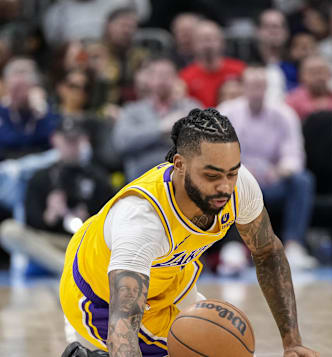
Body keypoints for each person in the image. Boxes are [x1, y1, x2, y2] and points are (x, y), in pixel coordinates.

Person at [60, 108, 318, 357]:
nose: (225, 187)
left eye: (232, 172)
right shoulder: (142, 220)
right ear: (180, 164)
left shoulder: (239, 186)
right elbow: (123, 325)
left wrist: (292, 343)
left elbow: (267, 252)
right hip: (99, 298)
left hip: (169, 280)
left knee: (219, 344)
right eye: (211, 175)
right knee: (206, 351)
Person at [219, 66, 318, 269]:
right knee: (222, 180)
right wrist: (241, 171)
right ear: (243, 87)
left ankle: (293, 246)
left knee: (302, 180)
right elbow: (217, 153)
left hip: (273, 182)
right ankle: (233, 248)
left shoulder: (285, 114)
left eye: (261, 85)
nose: (256, 90)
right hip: (238, 182)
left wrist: (282, 170)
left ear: (267, 88)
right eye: (251, 85)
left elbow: (294, 154)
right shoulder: (226, 112)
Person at [0, 117, 113, 275]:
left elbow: (110, 221)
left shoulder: (98, 178)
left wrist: (88, 219)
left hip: (83, 243)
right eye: (67, 140)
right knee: (9, 230)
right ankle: (69, 270)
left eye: (76, 140)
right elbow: (30, 222)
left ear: (85, 140)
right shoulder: (41, 177)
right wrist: (49, 215)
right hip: (48, 243)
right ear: (55, 140)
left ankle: (73, 268)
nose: (71, 146)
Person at [113, 58, 200, 180]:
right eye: (158, 74)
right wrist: (160, 129)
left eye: (167, 75)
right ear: (149, 80)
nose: (162, 79)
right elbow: (122, 143)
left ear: (176, 79)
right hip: (143, 180)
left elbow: (205, 142)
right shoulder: (132, 110)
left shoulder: (190, 108)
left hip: (183, 180)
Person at [180, 20, 246, 108]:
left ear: (222, 42)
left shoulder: (239, 70)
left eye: (211, 39)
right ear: (193, 44)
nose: (207, 45)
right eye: (202, 40)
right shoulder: (185, 77)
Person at [285, 55, 332, 121]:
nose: (318, 76)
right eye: (313, 72)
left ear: (330, 74)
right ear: (301, 76)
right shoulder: (292, 101)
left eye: (322, 71)